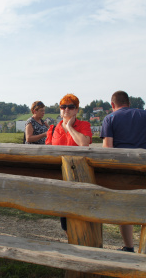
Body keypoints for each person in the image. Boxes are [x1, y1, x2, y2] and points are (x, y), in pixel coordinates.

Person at [101, 90, 146, 253]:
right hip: (145, 166)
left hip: (122, 169)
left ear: (112, 105)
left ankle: (129, 246)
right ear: (129, 103)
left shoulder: (109, 118)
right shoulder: (145, 114)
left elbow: (108, 148)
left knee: (125, 207)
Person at [45, 94, 92, 233]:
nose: (66, 110)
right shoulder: (53, 129)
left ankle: (83, 242)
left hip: (79, 175)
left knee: (80, 212)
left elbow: (84, 144)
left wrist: (70, 127)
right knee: (65, 217)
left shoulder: (84, 125)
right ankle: (72, 242)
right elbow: (47, 152)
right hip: (60, 176)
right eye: (63, 107)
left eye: (71, 107)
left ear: (77, 110)